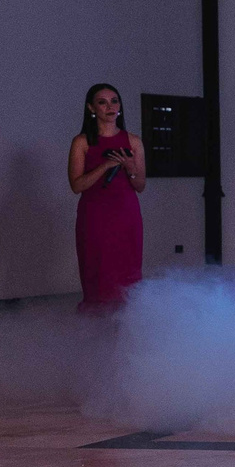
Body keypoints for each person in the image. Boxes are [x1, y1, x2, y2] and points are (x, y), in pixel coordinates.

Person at [67, 84, 145, 310]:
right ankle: (94, 323)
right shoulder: (82, 142)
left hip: (126, 214)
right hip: (95, 215)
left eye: (114, 101)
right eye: (102, 102)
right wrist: (105, 166)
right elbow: (76, 185)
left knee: (127, 270)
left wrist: (130, 167)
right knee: (97, 268)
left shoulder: (133, 141)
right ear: (91, 108)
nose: (110, 106)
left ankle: (127, 323)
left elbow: (140, 186)